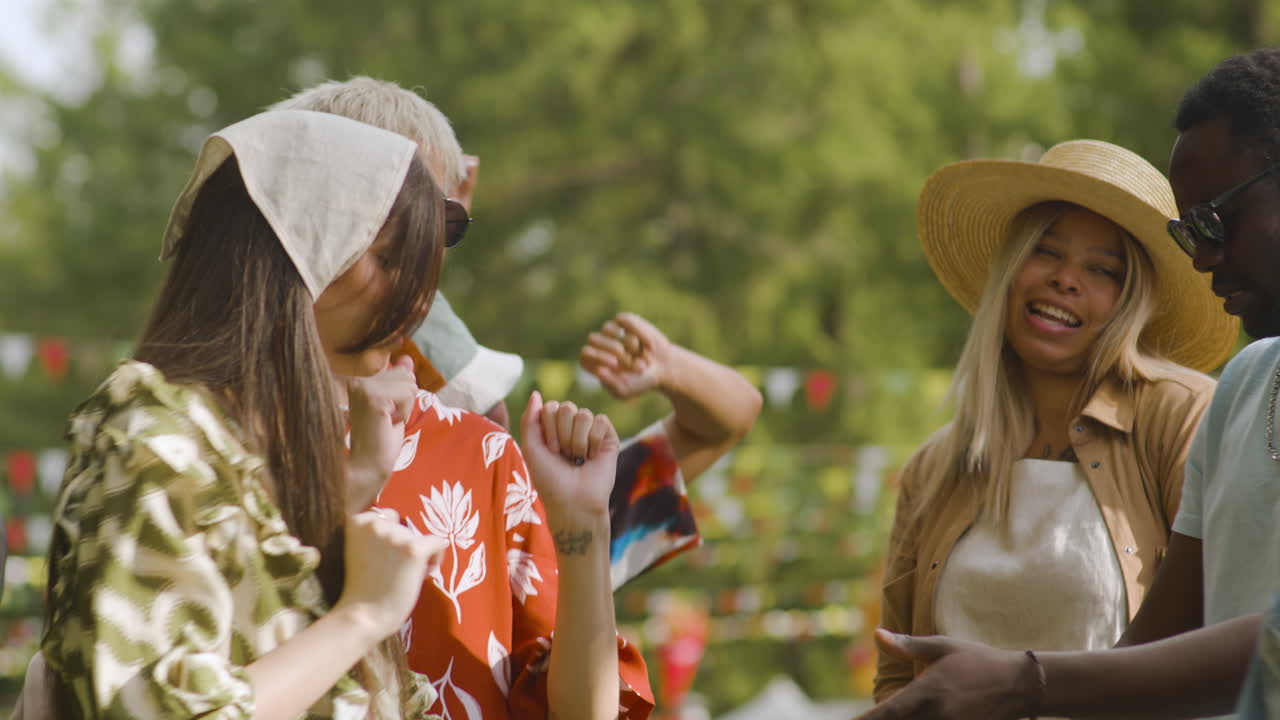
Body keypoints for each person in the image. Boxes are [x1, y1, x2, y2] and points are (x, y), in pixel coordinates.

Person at [31, 109, 620, 720]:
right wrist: (361, 615)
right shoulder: (156, 434)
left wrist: (355, 488)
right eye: (389, 260)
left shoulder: (284, 454)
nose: (416, 303)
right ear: (302, 250)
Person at [271, 77, 762, 719]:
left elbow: (726, 419)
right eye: (390, 222)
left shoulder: (512, 476)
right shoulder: (222, 437)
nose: (412, 258)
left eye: (441, 228)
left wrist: (583, 525)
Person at [860, 47, 1280, 720]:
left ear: (1132, 300)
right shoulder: (1242, 388)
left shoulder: (1182, 414)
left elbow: (1244, 641)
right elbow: (902, 678)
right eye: (1046, 251)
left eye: (1102, 268)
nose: (1065, 280)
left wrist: (1020, 683)